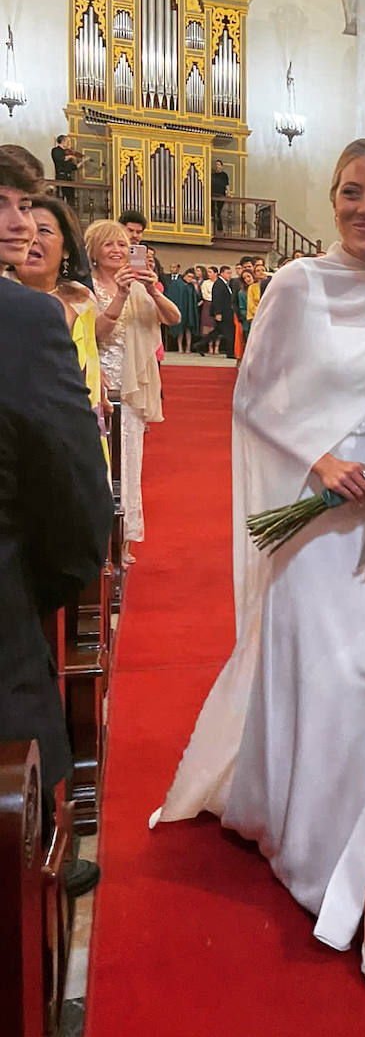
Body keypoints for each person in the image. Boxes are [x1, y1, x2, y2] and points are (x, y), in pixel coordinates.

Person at [153, 138, 365, 986]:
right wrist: (318, 460)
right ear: (333, 197)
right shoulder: (295, 283)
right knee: (319, 682)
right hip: (317, 514)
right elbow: (253, 392)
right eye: (351, 192)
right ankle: (298, 828)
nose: (364, 208)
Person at [0, 148, 113, 810]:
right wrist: (44, 588)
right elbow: (74, 486)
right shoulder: (22, 317)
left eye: (27, 206)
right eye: (6, 203)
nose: (22, 223)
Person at [89, 219, 179, 564]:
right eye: (108, 244)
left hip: (133, 389)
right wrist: (122, 294)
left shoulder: (141, 285)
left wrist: (153, 289)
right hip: (102, 385)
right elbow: (97, 332)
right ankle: (99, 541)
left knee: (129, 465)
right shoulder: (86, 288)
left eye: (122, 245)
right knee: (101, 465)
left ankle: (122, 541)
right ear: (94, 252)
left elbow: (172, 318)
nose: (117, 250)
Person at [17, 195, 108, 463]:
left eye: (43, 230)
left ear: (67, 248)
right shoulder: (7, 298)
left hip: (73, 431)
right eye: (26, 229)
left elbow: (87, 359)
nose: (32, 238)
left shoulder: (81, 299)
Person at [50, 134, 84, 204]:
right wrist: (71, 156)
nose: (69, 143)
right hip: (61, 177)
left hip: (69, 178)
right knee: (60, 199)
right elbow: (60, 159)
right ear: (62, 141)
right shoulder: (55, 150)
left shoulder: (67, 152)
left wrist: (83, 161)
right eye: (68, 141)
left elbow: (74, 167)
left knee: (71, 199)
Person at [211, 159, 230, 233]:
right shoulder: (213, 175)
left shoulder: (224, 175)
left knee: (218, 211)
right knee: (212, 212)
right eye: (216, 165)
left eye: (218, 165)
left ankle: (219, 229)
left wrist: (228, 193)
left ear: (221, 166)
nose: (217, 166)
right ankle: (213, 229)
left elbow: (227, 185)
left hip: (221, 195)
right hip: (213, 195)